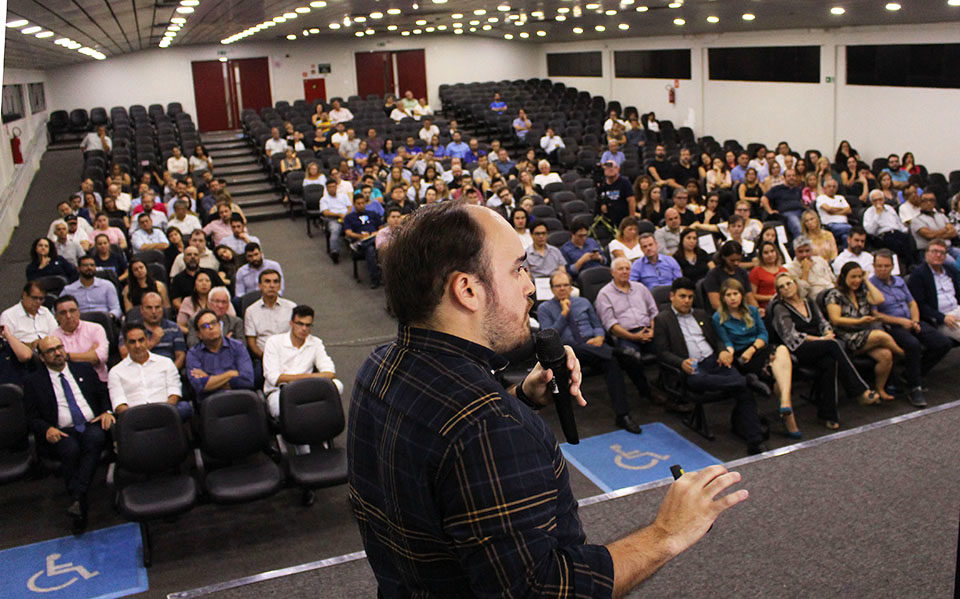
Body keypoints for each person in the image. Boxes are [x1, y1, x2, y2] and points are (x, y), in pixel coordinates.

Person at [349, 202, 747, 597]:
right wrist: (666, 534)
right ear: (467, 289)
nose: (528, 286)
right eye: (518, 268)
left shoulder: (377, 367)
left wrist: (520, 395)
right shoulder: (491, 429)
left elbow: (446, 442)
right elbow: (543, 589)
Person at [654, 278, 767, 454]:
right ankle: (747, 380)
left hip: (713, 361)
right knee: (721, 382)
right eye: (682, 296)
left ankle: (754, 441)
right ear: (672, 296)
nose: (686, 301)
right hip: (691, 367)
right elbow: (662, 352)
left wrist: (722, 351)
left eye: (690, 297)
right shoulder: (662, 319)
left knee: (742, 390)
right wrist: (680, 363)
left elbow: (718, 339)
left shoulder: (700, 314)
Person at [538, 270, 647, 433]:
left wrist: (600, 337)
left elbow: (597, 325)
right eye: (558, 286)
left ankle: (622, 415)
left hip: (595, 348)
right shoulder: (544, 308)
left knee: (612, 363)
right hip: (568, 352)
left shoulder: (583, 302)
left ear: (571, 287)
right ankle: (619, 351)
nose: (562, 289)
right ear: (552, 289)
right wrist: (563, 314)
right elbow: (549, 338)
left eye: (565, 285)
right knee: (608, 355)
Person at [24, 336, 113, 532]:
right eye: (51, 351)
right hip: (61, 431)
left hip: (89, 424)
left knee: (96, 438)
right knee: (70, 449)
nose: (57, 353)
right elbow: (31, 417)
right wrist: (46, 429)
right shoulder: (33, 381)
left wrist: (107, 411)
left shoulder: (83, 369)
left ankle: (77, 498)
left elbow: (103, 393)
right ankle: (80, 500)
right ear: (42, 357)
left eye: (59, 348)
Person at [768, 273, 877, 429]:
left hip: (820, 345)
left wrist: (826, 333)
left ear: (796, 284)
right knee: (832, 345)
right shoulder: (780, 308)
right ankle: (859, 390)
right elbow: (790, 335)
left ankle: (828, 415)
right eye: (781, 287)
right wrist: (821, 340)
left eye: (788, 283)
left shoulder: (808, 301)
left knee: (829, 362)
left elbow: (823, 322)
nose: (786, 288)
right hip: (798, 348)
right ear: (779, 292)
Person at [712, 279, 800, 437]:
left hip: (757, 348)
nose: (732, 298)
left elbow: (763, 334)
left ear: (741, 295)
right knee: (778, 368)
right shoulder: (718, 318)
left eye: (736, 294)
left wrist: (752, 349)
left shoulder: (752, 310)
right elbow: (726, 342)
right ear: (723, 298)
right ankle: (789, 417)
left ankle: (785, 402)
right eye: (728, 295)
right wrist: (730, 353)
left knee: (781, 350)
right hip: (742, 356)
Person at [870, 250, 951, 407]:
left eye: (886, 266)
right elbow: (875, 314)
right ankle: (915, 387)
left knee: (943, 343)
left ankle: (912, 374)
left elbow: (912, 303)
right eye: (879, 266)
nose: (883, 269)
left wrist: (914, 321)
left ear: (892, 266)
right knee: (912, 344)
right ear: (873, 266)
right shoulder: (871, 285)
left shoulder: (899, 281)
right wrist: (900, 321)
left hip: (911, 320)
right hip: (891, 325)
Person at [825, 262, 905, 402]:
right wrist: (860, 321)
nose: (857, 280)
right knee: (881, 336)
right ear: (843, 277)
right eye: (853, 277)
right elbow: (835, 320)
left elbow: (879, 299)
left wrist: (867, 280)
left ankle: (880, 389)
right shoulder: (834, 294)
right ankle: (904, 355)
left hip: (865, 334)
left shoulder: (861, 292)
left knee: (886, 355)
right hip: (845, 337)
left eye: (859, 276)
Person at [261, 304, 341, 419]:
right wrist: (308, 377)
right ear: (291, 323)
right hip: (280, 392)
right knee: (279, 407)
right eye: (300, 324)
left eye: (308, 325)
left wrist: (303, 380)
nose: (304, 329)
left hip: (308, 388)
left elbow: (330, 372)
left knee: (337, 386)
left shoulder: (316, 342)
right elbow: (274, 378)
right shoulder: (274, 342)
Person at [109, 323, 190, 421]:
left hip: (165, 414)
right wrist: (140, 418)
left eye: (141, 340)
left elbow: (174, 393)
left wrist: (161, 414)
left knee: (184, 407)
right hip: (135, 420)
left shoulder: (166, 363)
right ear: (125, 344)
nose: (138, 345)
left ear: (147, 340)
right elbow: (119, 404)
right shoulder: (115, 372)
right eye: (132, 342)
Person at [186, 309, 255, 402]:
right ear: (199, 334)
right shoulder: (193, 353)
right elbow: (199, 386)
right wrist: (230, 374)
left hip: (239, 398)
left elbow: (247, 381)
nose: (210, 327)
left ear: (220, 325)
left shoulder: (237, 346)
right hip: (211, 403)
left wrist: (210, 379)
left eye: (213, 323)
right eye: (205, 326)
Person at [907, 240, 960, 344]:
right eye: (934, 251)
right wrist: (942, 317)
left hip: (957, 309)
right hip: (941, 318)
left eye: (942, 253)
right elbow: (920, 305)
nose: (938, 255)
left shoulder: (949, 270)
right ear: (926, 253)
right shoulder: (918, 275)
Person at [52, 295, 109, 382]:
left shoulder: (96, 329)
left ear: (79, 312)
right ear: (56, 316)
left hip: (98, 380)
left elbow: (99, 358)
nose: (68, 316)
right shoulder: (53, 337)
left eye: (72, 311)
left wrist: (67, 356)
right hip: (71, 382)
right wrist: (89, 354)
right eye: (63, 313)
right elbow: (58, 365)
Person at [120, 292, 185, 368]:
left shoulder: (174, 328)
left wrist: (170, 371)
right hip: (138, 371)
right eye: (149, 308)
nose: (154, 312)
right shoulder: (130, 329)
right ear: (141, 309)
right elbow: (124, 355)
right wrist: (152, 342)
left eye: (157, 307)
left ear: (163, 308)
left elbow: (181, 356)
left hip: (166, 371)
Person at [244, 269, 296, 363]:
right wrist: (267, 358)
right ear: (260, 286)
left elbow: (298, 335)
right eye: (267, 281)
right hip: (263, 358)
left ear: (279, 286)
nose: (272, 285)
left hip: (290, 356)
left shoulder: (292, 307)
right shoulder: (251, 311)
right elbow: (251, 343)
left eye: (275, 282)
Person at [1, 281, 59, 348]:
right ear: (24, 295)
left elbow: (56, 334)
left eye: (41, 299)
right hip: (23, 352)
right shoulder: (8, 315)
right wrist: (31, 345)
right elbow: (6, 343)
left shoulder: (45, 311)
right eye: (34, 298)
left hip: (49, 350)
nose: (38, 302)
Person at [703, 241, 757, 311]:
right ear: (723, 257)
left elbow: (749, 297)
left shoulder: (742, 272)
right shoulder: (713, 275)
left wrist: (756, 311)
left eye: (738, 260)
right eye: (732, 260)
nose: (736, 263)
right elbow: (715, 304)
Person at [343, 194, 383, 289]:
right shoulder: (349, 217)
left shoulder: (372, 214)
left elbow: (381, 228)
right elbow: (348, 233)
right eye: (358, 203)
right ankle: (375, 278)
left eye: (363, 203)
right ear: (354, 204)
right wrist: (360, 236)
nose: (361, 205)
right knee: (370, 250)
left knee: (370, 247)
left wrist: (375, 233)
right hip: (359, 239)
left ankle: (375, 279)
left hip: (374, 238)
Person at [911, 191, 960, 267]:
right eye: (925, 200)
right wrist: (944, 230)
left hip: (948, 248)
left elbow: (953, 232)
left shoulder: (941, 216)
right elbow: (929, 235)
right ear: (920, 203)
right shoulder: (916, 220)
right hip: (930, 251)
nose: (928, 203)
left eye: (931, 200)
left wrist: (935, 235)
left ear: (935, 203)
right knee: (953, 264)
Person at [761, 168, 805, 238]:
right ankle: (802, 245)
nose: (791, 178)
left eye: (793, 176)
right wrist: (770, 211)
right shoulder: (777, 189)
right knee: (797, 225)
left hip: (801, 211)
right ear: (784, 177)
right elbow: (764, 198)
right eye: (789, 176)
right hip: (787, 213)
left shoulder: (798, 189)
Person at [320, 178, 352, 264]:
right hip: (333, 219)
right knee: (335, 230)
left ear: (336, 187)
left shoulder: (343, 196)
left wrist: (346, 215)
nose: (332, 188)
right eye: (329, 187)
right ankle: (335, 252)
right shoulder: (324, 199)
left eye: (333, 186)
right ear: (326, 188)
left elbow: (350, 207)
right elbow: (325, 212)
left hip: (346, 218)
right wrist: (338, 215)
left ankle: (356, 248)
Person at [749, 240, 787, 310]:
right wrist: (771, 297)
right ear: (761, 255)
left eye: (772, 251)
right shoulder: (756, 272)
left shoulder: (784, 270)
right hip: (766, 308)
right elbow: (752, 295)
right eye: (766, 253)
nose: (770, 255)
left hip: (784, 305)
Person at [597, 161, 636, 227]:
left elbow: (631, 201)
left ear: (618, 169)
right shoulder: (601, 185)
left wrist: (631, 219)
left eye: (614, 167)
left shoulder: (624, 183)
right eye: (608, 167)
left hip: (622, 220)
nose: (611, 169)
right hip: (607, 222)